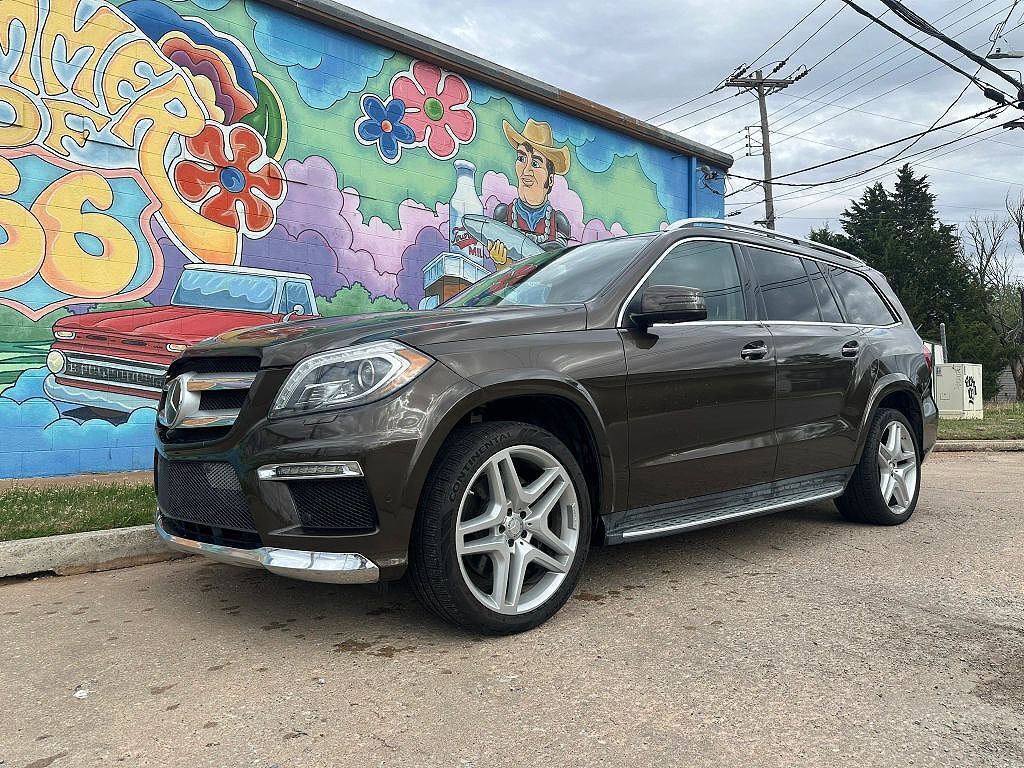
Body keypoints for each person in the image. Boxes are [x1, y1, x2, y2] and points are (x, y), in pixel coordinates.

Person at [488, 118, 572, 265]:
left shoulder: (558, 222)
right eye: (521, 158)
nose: (526, 170)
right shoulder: (502, 214)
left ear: (550, 178)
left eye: (535, 163)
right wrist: (501, 263)